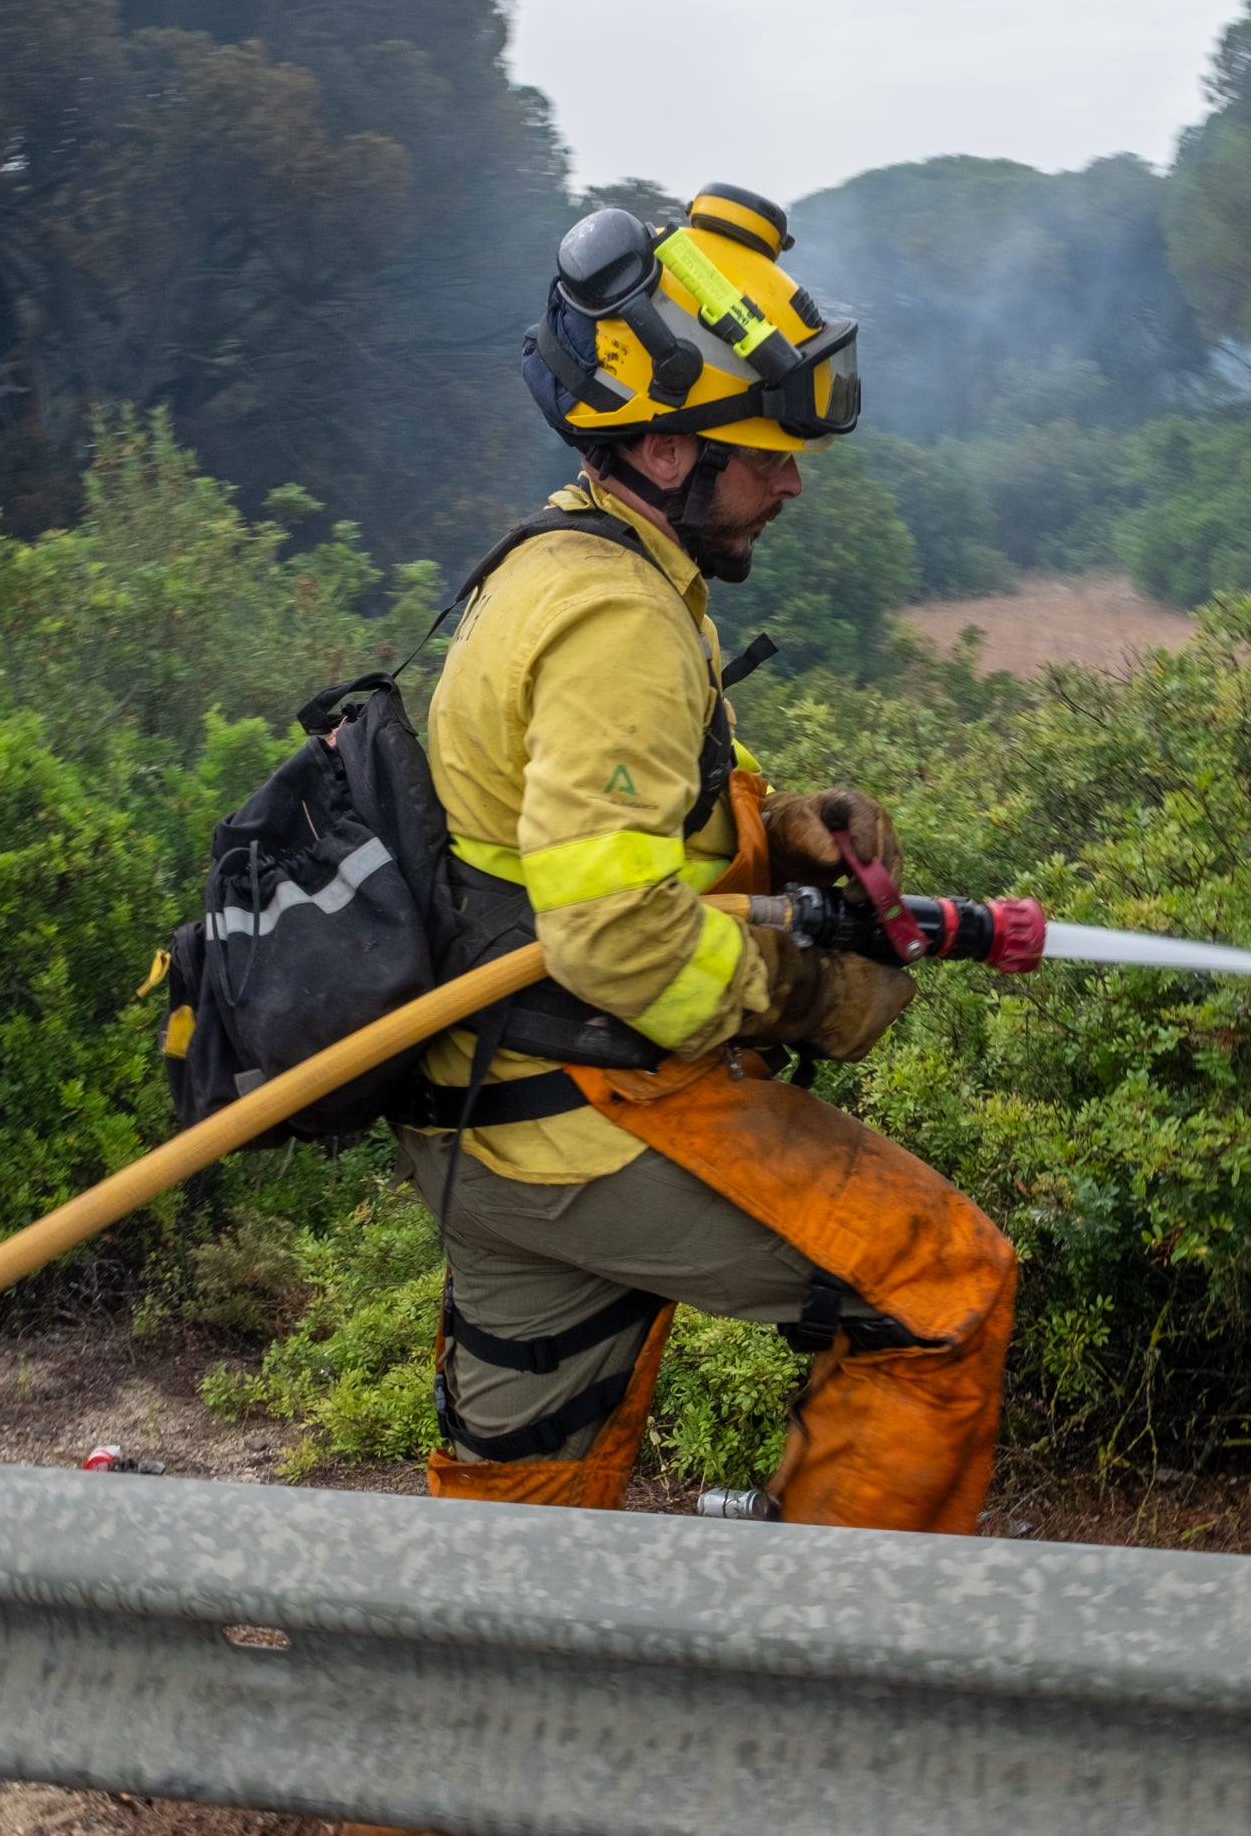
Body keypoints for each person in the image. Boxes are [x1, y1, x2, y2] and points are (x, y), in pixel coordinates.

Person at [395, 184, 1014, 1533]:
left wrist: (776, 844)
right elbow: (615, 937)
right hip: (582, 1114)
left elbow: (587, 853)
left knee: (519, 1532)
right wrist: (801, 980)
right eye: (763, 452)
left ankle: (475, 1713)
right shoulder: (615, 617)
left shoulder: (565, 567)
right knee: (942, 1286)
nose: (791, 479)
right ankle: (824, 1679)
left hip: (485, 1127)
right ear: (666, 446)